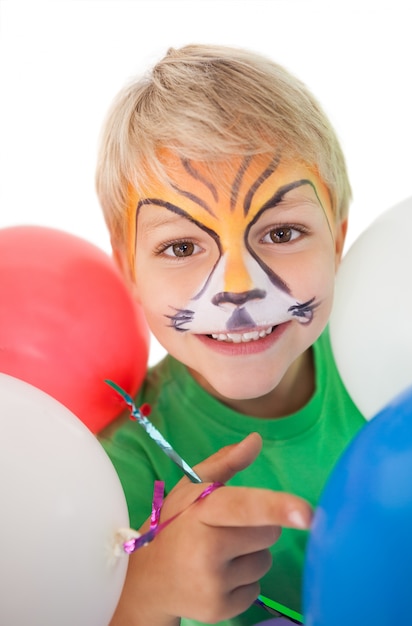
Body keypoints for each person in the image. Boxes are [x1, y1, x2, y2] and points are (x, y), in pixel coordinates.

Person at [97, 44, 365, 626]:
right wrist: (144, 595)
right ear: (130, 271)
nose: (237, 287)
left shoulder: (391, 377)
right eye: (182, 247)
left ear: (339, 240)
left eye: (283, 231)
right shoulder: (117, 470)